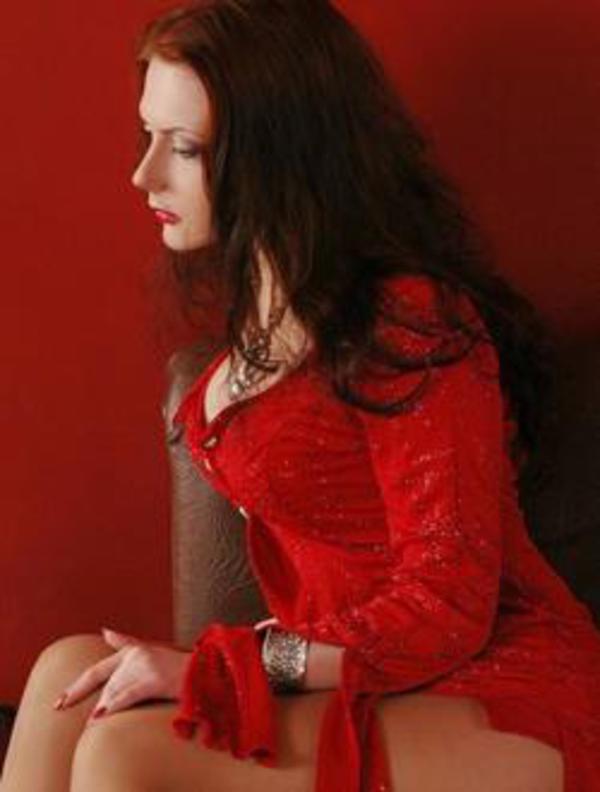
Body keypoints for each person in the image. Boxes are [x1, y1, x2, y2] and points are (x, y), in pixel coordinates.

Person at [2, 1, 600, 790]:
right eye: (148, 135)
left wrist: (240, 662)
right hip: (350, 666)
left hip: (495, 682)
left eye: (186, 148)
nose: (144, 175)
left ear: (279, 155)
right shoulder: (258, 324)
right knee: (64, 674)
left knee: (121, 754)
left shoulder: (408, 318)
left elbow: (447, 609)